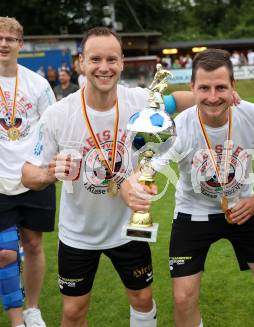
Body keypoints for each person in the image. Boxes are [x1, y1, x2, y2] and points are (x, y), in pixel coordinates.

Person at [21, 27, 195, 327]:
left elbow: (176, 120)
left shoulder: (139, 101)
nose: (104, 67)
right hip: (78, 233)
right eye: (96, 59)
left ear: (122, 62)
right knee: (74, 312)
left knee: (142, 299)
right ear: (81, 63)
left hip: (127, 228)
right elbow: (27, 174)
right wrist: (50, 172)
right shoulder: (58, 114)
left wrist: (223, 96)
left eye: (112, 59)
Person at [122, 48, 254, 327]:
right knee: (183, 298)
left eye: (221, 87)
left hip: (243, 210)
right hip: (193, 213)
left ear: (233, 86)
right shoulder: (180, 128)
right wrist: (135, 184)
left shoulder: (253, 116)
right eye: (205, 88)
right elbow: (148, 166)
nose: (213, 97)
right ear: (193, 88)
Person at [0, 16, 56, 327]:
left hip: (35, 175)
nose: (3, 43)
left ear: (20, 44)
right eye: (0, 38)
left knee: (33, 244)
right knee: (5, 253)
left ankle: (32, 309)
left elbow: (53, 128)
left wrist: (43, 167)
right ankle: (16, 318)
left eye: (10, 39)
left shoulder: (38, 84)